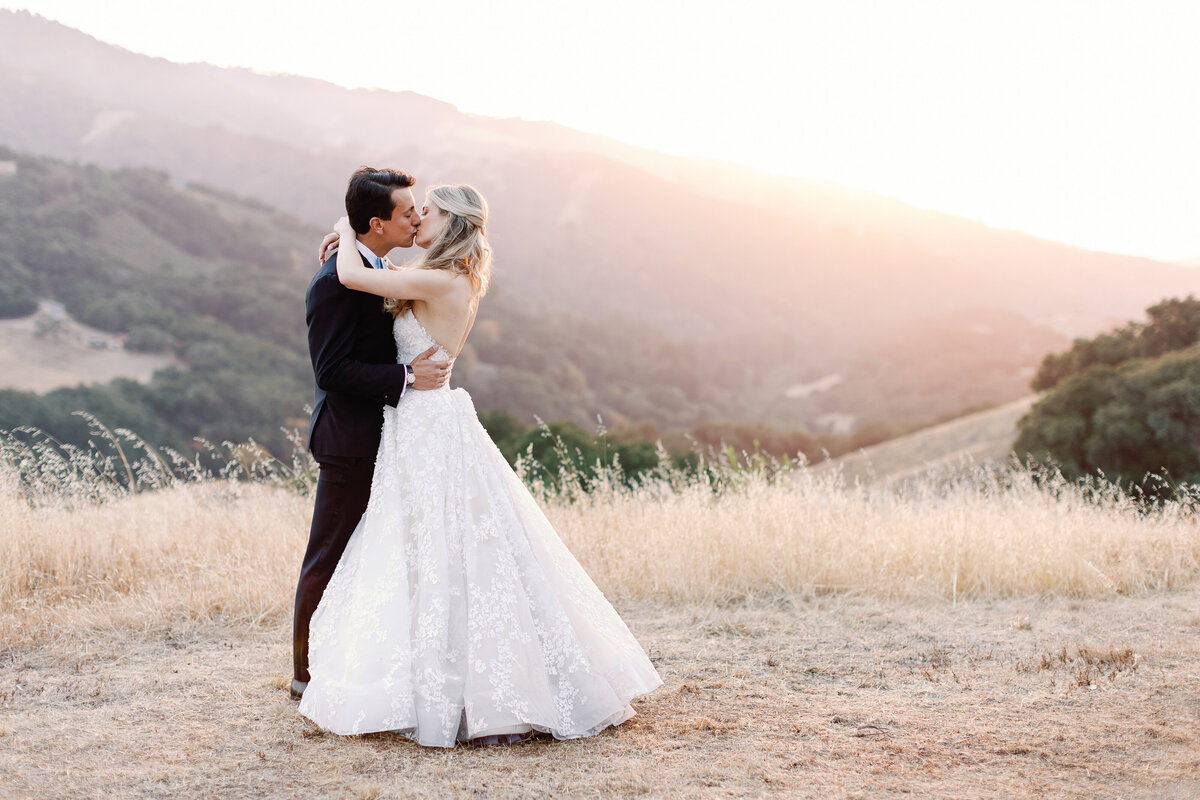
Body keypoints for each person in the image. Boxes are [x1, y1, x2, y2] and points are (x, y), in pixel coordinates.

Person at [297, 183, 662, 748]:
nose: (420, 217)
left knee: (437, 545)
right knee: (437, 545)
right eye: (415, 211)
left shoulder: (441, 279)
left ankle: (452, 684)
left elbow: (354, 277)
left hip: (426, 420)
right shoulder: (447, 272)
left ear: (455, 222)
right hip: (425, 417)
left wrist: (345, 230)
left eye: (431, 212)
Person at [294, 167, 451, 701]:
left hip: (392, 436)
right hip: (350, 441)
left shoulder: (375, 266)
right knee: (330, 555)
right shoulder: (335, 282)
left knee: (372, 556)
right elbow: (331, 372)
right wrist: (407, 376)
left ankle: (356, 663)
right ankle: (306, 675)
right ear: (378, 223)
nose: (417, 217)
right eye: (408, 211)